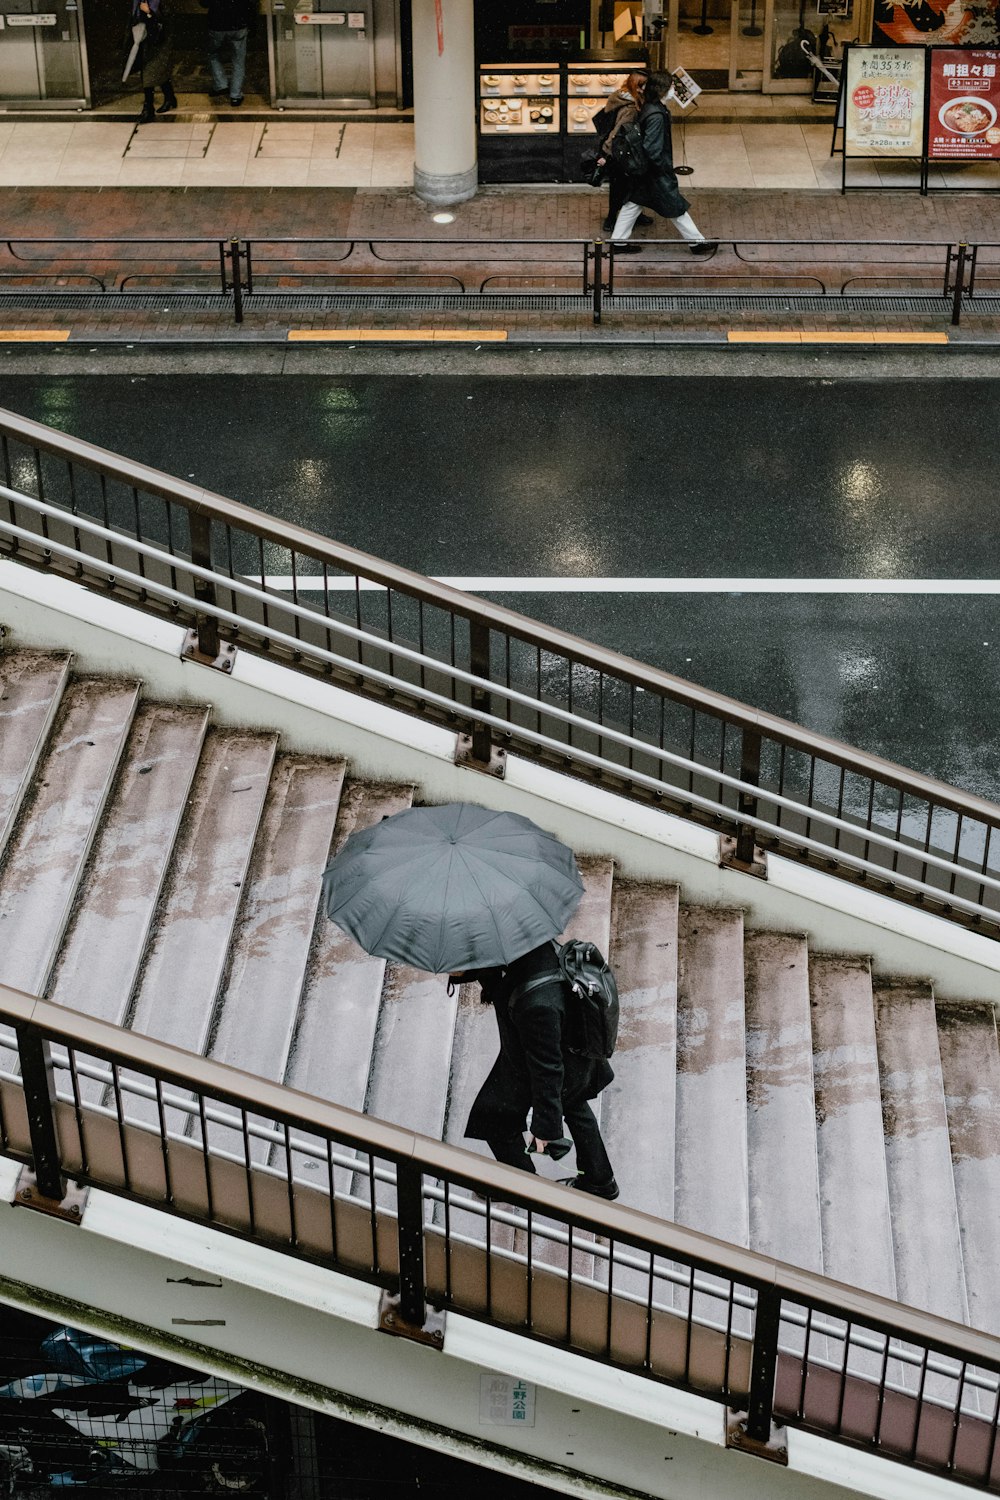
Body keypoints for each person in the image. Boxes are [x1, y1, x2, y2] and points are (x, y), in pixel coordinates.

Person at [459, 941, 619, 1200]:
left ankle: (523, 1187)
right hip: (559, 1049)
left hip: (543, 1058)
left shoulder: (537, 1005)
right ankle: (600, 1180)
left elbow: (548, 1069)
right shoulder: (526, 941)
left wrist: (546, 1127)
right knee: (575, 1105)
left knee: (494, 1116)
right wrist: (465, 973)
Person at [608, 72, 715, 256]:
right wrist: (662, 168)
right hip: (655, 172)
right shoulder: (656, 114)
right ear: (663, 90)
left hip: (646, 171)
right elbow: (652, 149)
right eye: (671, 87)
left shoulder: (651, 108)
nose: (674, 90)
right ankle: (697, 243)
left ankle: (618, 242)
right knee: (674, 205)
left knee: (633, 204)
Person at [592, 72, 653, 234]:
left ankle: (631, 215)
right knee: (623, 186)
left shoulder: (620, 95)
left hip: (619, 150)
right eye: (646, 85)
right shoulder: (631, 108)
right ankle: (612, 218)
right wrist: (606, 152)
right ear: (638, 87)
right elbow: (618, 131)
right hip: (622, 151)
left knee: (624, 185)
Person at [199, 0, 253, 107]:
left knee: (212, 54)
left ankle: (220, 84)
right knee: (238, 60)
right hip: (239, 24)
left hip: (217, 25)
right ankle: (235, 96)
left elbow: (204, 3)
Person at [129, 0, 176, 124]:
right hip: (146, 40)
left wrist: (149, 12)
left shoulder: (159, 3)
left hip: (160, 42)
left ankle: (148, 109)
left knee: (150, 73)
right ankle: (170, 97)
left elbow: (166, 18)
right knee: (155, 72)